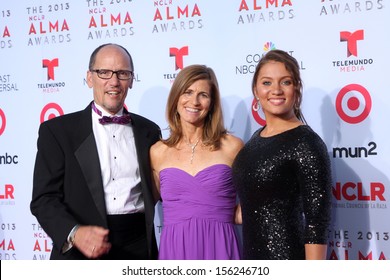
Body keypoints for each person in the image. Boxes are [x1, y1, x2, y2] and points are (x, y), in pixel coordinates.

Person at [30, 43, 161, 260]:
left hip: (139, 248)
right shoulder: (58, 131)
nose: (114, 81)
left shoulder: (149, 131)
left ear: (131, 79)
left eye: (123, 73)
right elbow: (43, 199)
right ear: (89, 77)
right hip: (82, 250)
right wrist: (75, 232)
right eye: (104, 72)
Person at [232, 49, 332, 260]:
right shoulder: (256, 138)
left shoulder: (307, 143)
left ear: (296, 89)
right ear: (256, 90)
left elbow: (317, 223)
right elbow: (252, 206)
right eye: (267, 83)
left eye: (285, 82)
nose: (275, 90)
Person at [150, 64, 243, 260]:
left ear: (212, 103)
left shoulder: (232, 147)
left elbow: (253, 203)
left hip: (220, 247)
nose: (195, 101)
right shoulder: (158, 152)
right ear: (176, 98)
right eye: (188, 92)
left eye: (203, 95)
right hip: (175, 251)